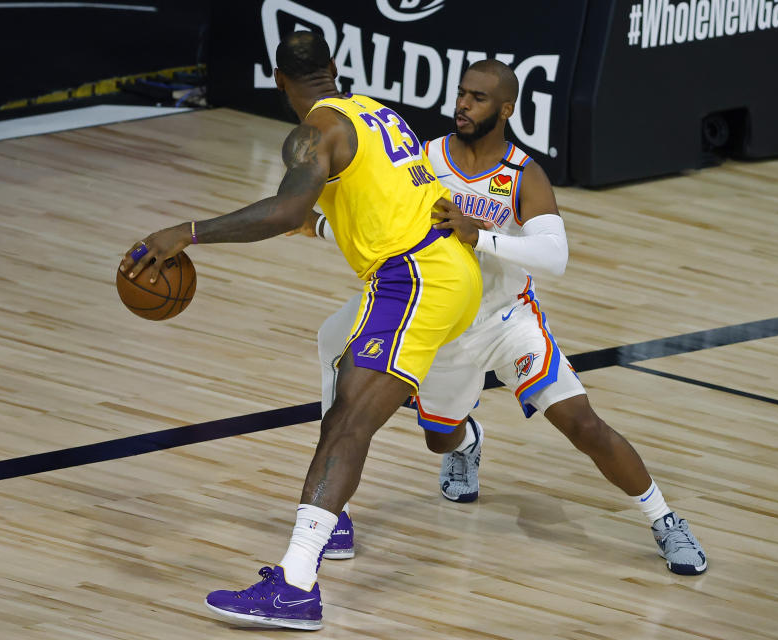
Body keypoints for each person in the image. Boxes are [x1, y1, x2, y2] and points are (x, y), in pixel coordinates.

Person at [118, 31, 482, 630]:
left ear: (278, 79)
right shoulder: (374, 111)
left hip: (413, 279)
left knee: (347, 421)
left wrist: (184, 231)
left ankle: (295, 582)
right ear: (334, 71)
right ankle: (331, 523)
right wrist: (317, 227)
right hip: (446, 272)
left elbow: (284, 209)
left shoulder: (314, 132)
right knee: (342, 365)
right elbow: (368, 205)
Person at [304, 60, 708, 577]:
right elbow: (385, 237)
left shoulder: (523, 174)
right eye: (461, 94)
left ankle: (665, 519)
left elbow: (554, 257)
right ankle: (467, 442)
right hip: (439, 323)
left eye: (477, 98)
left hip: (506, 321)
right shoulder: (424, 159)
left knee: (583, 425)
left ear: (506, 108)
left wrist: (480, 235)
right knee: (438, 437)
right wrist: (318, 227)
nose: (463, 106)